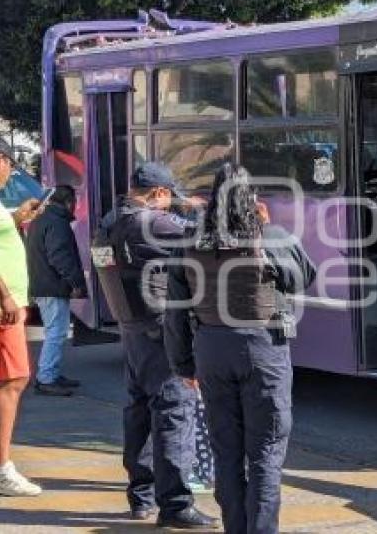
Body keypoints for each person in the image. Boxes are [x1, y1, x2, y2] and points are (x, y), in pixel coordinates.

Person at [165, 163, 315, 534]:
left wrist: (184, 366)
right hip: (263, 350)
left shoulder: (189, 244)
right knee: (265, 454)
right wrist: (268, 228)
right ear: (252, 200)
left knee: (226, 452)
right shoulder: (269, 238)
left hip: (211, 350)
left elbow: (175, 313)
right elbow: (303, 278)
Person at [98, 162, 216, 529]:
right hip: (160, 330)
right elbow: (207, 240)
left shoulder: (111, 219)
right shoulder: (152, 223)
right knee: (172, 415)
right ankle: (177, 505)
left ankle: (142, 496)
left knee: (138, 414)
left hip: (133, 327)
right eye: (169, 198)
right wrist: (202, 211)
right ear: (159, 194)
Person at [0, 139, 43, 496]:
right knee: (13, 381)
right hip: (4, 309)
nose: (10, 169)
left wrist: (16, 218)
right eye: (7, 162)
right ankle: (2, 468)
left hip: (10, 305)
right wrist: (5, 296)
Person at [26, 185, 87, 397]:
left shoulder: (41, 220)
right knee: (56, 332)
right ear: (69, 202)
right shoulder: (57, 223)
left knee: (55, 331)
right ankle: (46, 378)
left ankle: (51, 373)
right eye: (75, 203)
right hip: (52, 287)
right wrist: (76, 282)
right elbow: (60, 257)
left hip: (43, 284)